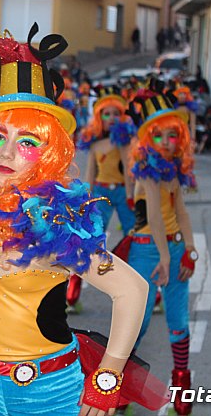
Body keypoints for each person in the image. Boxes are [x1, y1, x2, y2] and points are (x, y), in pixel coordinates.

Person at [0, 24, 160, 416]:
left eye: (28, 142)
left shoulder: (58, 225)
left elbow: (132, 290)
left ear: (48, 154)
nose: (8, 152)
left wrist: (107, 379)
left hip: (52, 393)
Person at [126, 84, 198, 415]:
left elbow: (180, 212)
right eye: (160, 136)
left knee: (178, 321)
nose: (168, 143)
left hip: (173, 249)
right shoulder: (148, 171)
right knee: (135, 325)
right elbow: (153, 214)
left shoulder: (172, 170)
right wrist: (168, 256)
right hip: (146, 251)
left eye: (173, 135)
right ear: (149, 137)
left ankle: (182, 394)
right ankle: (120, 393)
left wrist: (190, 251)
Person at [70, 86, 137, 313]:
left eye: (115, 114)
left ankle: (141, 288)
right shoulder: (96, 143)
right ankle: (72, 294)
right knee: (91, 239)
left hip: (121, 192)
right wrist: (86, 198)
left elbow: (129, 171)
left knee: (134, 236)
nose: (111, 118)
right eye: (106, 114)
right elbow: (90, 171)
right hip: (100, 192)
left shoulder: (125, 142)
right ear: (99, 116)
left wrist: (130, 196)